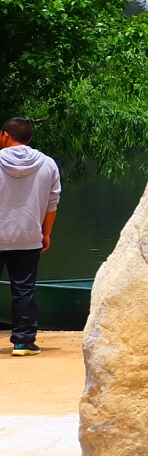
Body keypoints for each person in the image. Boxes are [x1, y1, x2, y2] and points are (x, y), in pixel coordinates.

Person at [0, 118, 60, 357]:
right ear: (29, 138)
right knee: (24, 290)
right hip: (28, 237)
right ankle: (23, 343)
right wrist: (46, 233)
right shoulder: (47, 164)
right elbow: (52, 202)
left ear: (5, 135)